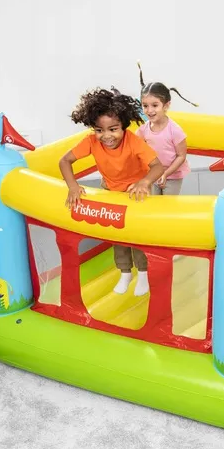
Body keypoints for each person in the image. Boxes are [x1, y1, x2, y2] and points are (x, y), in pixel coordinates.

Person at [59, 87, 164, 297]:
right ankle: (125, 272)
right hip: (111, 190)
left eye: (113, 129)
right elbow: (64, 161)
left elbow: (158, 166)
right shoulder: (91, 142)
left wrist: (144, 182)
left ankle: (143, 273)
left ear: (123, 126)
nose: (106, 136)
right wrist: (73, 186)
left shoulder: (133, 142)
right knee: (117, 234)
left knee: (137, 234)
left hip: (136, 192)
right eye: (99, 130)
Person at [135, 63, 197, 195]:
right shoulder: (143, 130)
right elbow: (135, 149)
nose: (149, 110)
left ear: (166, 105)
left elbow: (181, 156)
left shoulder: (175, 130)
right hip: (153, 173)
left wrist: (166, 173)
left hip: (173, 176)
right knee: (154, 203)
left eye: (155, 105)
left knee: (168, 203)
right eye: (145, 106)